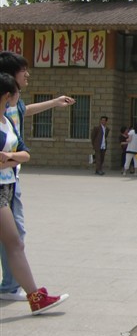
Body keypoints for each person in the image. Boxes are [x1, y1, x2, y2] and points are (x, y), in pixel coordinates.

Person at [0, 52, 75, 302]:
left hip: (9, 181)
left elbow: (24, 151)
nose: (28, 75)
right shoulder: (6, 110)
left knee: (14, 240)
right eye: (24, 71)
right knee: (15, 239)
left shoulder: (9, 115)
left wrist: (13, 158)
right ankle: (18, 290)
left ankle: (22, 291)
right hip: (4, 184)